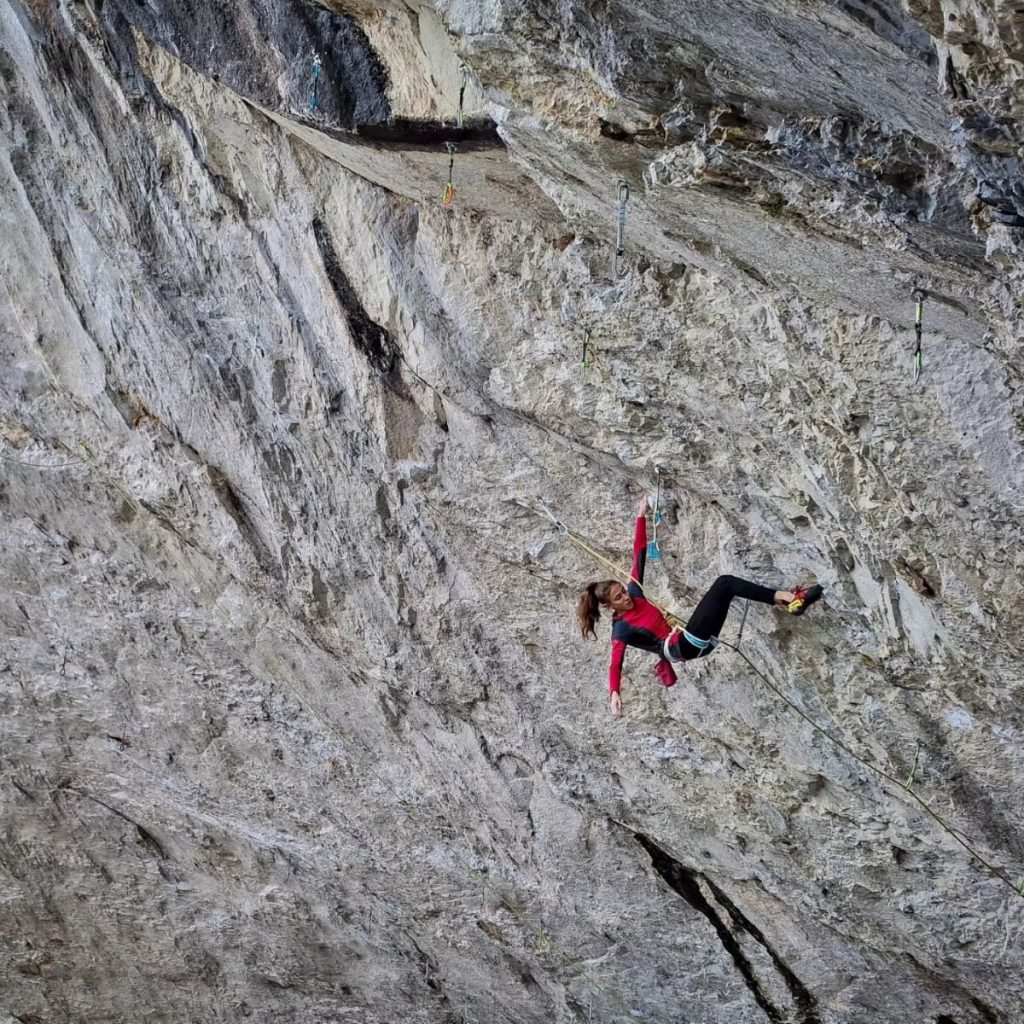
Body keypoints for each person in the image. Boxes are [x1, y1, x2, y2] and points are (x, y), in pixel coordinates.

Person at [577, 497, 823, 715]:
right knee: (724, 584)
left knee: (727, 590)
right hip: (681, 647)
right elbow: (615, 662)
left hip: (692, 641)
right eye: (619, 599)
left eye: (623, 591)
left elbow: (638, 553)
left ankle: (791, 601)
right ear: (610, 607)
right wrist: (614, 693)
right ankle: (789, 598)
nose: (626, 598)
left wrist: (640, 516)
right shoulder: (620, 629)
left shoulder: (634, 592)